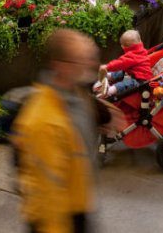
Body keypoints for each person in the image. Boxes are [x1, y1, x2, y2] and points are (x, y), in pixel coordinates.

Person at [13, 29, 120, 233]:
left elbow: (83, 106)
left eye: (90, 57)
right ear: (60, 66)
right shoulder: (43, 122)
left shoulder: (73, 90)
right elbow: (47, 195)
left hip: (80, 200)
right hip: (60, 220)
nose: (90, 64)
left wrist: (106, 115)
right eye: (81, 60)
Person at [97, 30, 151, 96]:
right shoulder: (141, 50)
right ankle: (109, 76)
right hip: (133, 73)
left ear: (123, 47)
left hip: (140, 81)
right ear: (140, 41)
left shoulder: (132, 55)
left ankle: (110, 90)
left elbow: (120, 63)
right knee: (122, 71)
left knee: (125, 84)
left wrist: (107, 67)